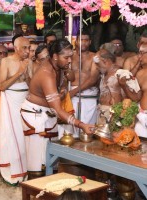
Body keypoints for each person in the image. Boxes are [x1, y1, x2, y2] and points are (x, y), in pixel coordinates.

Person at [21, 39, 94, 179]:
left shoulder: (59, 66)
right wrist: (81, 124)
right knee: (38, 164)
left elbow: (71, 78)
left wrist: (66, 72)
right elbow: (58, 110)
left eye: (70, 57)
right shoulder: (46, 73)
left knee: (50, 160)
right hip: (35, 115)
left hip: (47, 114)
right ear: (55, 56)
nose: (69, 60)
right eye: (66, 57)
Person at [0, 35, 31, 185]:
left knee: (25, 137)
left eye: (29, 48)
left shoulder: (28, 62)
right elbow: (2, 86)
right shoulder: (6, 61)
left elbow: (30, 84)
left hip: (25, 101)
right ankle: (12, 173)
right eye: (25, 48)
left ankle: (25, 170)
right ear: (16, 48)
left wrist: (27, 71)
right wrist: (19, 72)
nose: (27, 51)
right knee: (12, 136)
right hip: (11, 102)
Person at [94, 44, 140, 125]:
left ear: (105, 61)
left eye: (98, 64)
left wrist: (123, 85)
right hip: (102, 115)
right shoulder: (103, 75)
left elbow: (136, 98)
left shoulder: (123, 74)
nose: (96, 67)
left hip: (116, 117)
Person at [69, 31, 99, 128]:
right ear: (76, 41)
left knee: (88, 129)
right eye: (81, 40)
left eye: (86, 40)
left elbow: (93, 79)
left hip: (88, 97)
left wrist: (74, 91)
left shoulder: (94, 57)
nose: (83, 43)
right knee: (70, 130)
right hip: (72, 97)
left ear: (90, 42)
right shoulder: (70, 56)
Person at [135, 43, 147, 137]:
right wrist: (123, 86)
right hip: (142, 118)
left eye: (142, 53)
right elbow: (135, 98)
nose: (139, 57)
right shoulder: (141, 73)